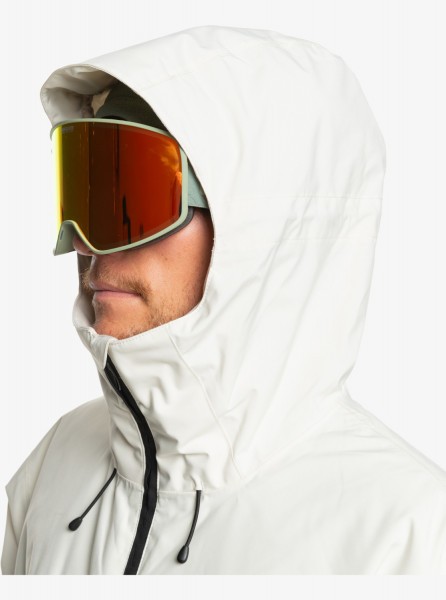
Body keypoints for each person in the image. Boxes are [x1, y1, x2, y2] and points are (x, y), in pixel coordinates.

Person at [2, 24, 446, 575]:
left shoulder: (404, 537)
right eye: (88, 191)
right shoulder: (54, 466)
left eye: (133, 198)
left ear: (258, 236)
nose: (88, 244)